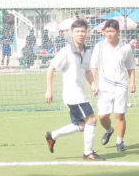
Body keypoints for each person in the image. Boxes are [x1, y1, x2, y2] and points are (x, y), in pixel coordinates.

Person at [44, 19, 104, 161]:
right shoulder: (66, 51)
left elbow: (88, 70)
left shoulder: (87, 52)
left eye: (83, 31)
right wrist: (49, 90)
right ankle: (88, 153)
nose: (80, 34)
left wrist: (93, 84)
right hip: (73, 94)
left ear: (87, 33)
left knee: (82, 125)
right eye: (77, 31)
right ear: (72, 33)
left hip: (80, 92)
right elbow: (51, 68)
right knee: (91, 119)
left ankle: (52, 135)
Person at [90, 19, 136, 152]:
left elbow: (131, 66)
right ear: (104, 32)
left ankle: (119, 141)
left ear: (118, 32)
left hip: (121, 85)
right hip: (104, 86)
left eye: (112, 31)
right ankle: (109, 130)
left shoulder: (125, 47)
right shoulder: (99, 46)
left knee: (119, 115)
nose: (110, 34)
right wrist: (93, 83)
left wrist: (132, 82)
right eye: (107, 31)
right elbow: (94, 66)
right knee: (103, 116)